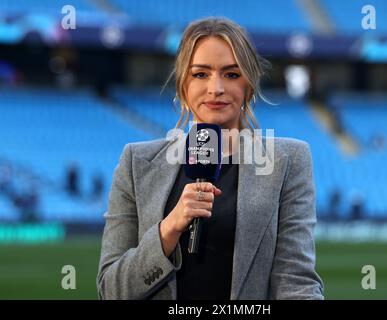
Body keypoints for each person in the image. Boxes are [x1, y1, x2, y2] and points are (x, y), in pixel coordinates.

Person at [97, 17, 323, 300]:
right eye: (200, 74)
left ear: (249, 85)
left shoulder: (289, 161)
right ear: (183, 85)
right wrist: (169, 228)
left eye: (231, 74)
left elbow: (296, 282)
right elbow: (111, 290)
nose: (216, 88)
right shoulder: (136, 163)